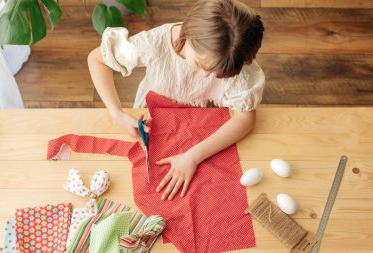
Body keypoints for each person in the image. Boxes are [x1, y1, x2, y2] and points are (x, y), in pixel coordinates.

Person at [87, 0, 265, 201]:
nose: (207, 76)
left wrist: (193, 156)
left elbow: (245, 119)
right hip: (153, 116)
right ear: (188, 35)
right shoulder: (154, 44)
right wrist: (117, 113)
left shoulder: (235, 55)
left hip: (205, 122)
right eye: (200, 64)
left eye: (218, 74)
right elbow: (96, 59)